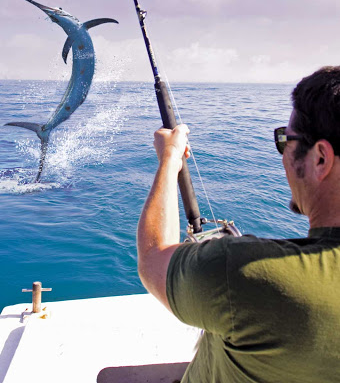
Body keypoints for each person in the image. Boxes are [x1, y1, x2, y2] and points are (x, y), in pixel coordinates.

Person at [137, 66, 340, 383]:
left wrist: (169, 159)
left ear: (321, 159)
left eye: (285, 139)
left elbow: (153, 257)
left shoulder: (244, 274)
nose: (284, 154)